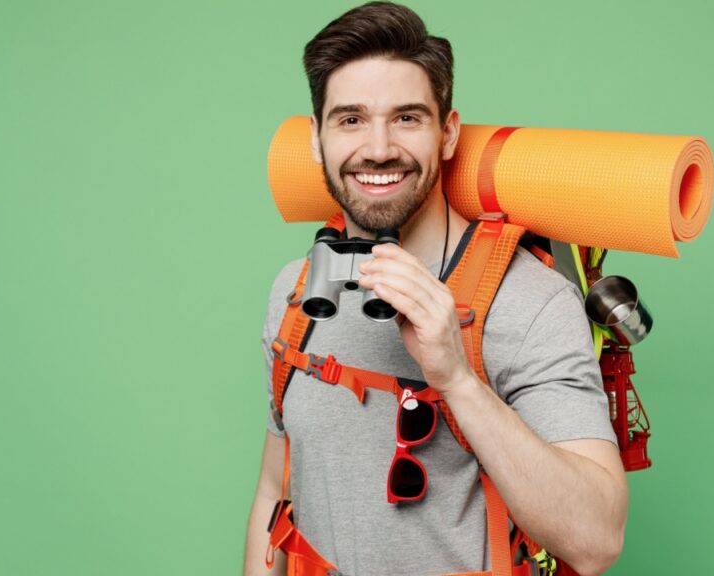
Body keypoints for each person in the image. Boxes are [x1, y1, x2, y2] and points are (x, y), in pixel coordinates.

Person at [244, 3, 628, 575]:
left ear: (447, 133)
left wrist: (455, 376)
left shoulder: (530, 303)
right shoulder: (296, 294)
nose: (378, 148)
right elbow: (277, 489)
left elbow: (597, 541)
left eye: (406, 118)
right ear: (316, 140)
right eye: (350, 119)